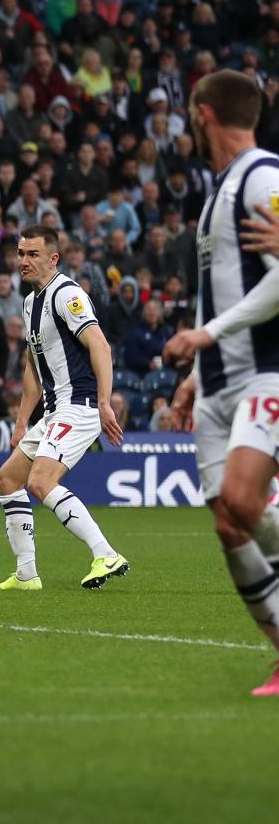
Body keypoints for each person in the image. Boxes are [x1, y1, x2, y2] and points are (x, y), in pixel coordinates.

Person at [161, 69, 279, 697]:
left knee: (243, 500)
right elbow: (226, 287)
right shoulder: (220, 191)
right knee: (229, 525)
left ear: (203, 114)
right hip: (215, 383)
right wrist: (195, 374)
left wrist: (206, 335)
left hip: (264, 371)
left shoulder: (263, 177)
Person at [0, 225, 129, 592]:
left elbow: (100, 345)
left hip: (79, 405)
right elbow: (33, 367)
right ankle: (26, 574)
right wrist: (22, 421)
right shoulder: (29, 303)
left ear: (53, 259)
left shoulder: (67, 295)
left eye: (32, 254)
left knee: (40, 481)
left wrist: (104, 402)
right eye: (20, 253)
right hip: (54, 410)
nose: (23, 261)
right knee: (8, 479)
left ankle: (105, 553)